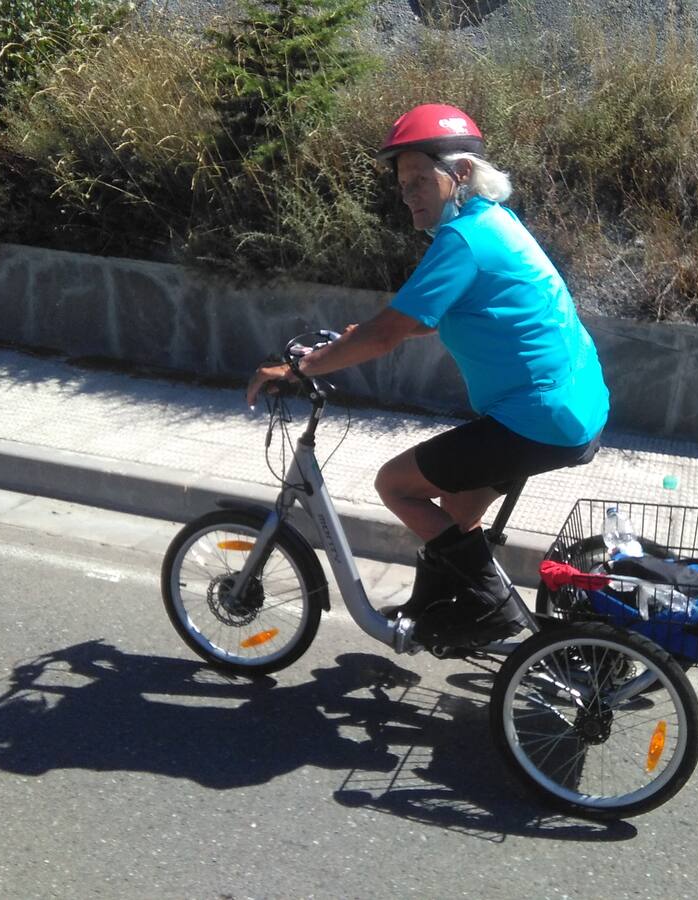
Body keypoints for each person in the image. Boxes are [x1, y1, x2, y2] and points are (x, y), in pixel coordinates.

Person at [247, 103, 609, 647]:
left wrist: (300, 367)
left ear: (459, 173)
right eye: (403, 184)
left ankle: (489, 609)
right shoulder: (491, 222)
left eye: (420, 178)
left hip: (539, 418)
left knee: (395, 484)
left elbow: (387, 334)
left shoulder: (462, 240)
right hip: (576, 405)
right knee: (458, 510)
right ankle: (440, 607)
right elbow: (422, 320)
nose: (409, 193)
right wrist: (359, 338)